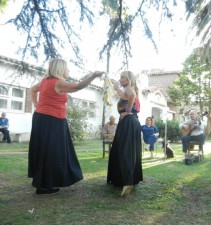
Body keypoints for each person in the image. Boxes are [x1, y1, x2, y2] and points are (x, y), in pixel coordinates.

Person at [28, 58, 104, 195]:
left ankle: (43, 182)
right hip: (52, 120)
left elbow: (32, 90)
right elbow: (77, 87)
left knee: (45, 151)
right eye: (67, 69)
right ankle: (45, 186)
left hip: (42, 118)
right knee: (53, 152)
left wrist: (36, 105)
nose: (68, 71)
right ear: (61, 69)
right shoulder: (58, 82)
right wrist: (93, 75)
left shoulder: (45, 81)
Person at [107, 71, 143, 197]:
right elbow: (125, 94)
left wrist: (128, 111)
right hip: (131, 122)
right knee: (126, 150)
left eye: (123, 77)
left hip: (128, 121)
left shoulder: (129, 89)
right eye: (120, 77)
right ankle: (125, 179)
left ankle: (127, 182)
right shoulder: (127, 90)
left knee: (125, 151)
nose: (121, 79)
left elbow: (130, 95)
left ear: (129, 79)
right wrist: (111, 80)